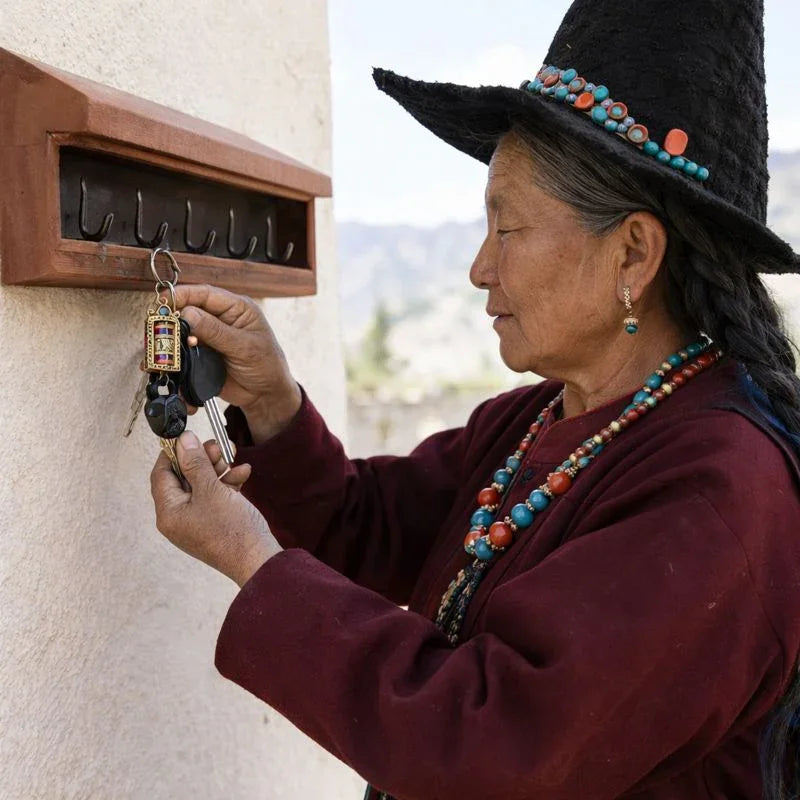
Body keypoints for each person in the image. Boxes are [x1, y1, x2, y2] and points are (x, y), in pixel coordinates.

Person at [149, 0, 800, 797]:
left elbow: (493, 743)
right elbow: (369, 526)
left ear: (633, 254)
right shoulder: (538, 419)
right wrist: (273, 400)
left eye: (508, 228)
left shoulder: (720, 493)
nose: (479, 268)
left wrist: (251, 561)